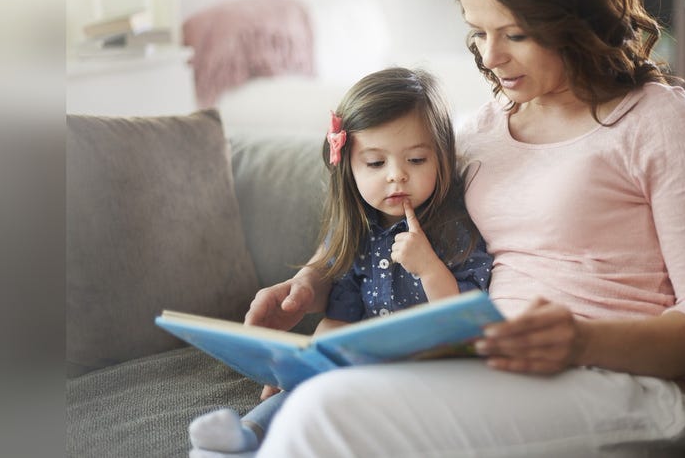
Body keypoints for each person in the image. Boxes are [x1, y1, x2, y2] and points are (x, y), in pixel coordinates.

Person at [249, 0, 685, 456]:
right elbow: (381, 218)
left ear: (578, 17)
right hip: (484, 366)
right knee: (321, 395)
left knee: (327, 412)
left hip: (626, 389)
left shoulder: (661, 123)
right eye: (478, 31)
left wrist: (580, 341)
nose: (490, 56)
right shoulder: (478, 133)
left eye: (515, 33)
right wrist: (314, 280)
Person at [187, 67, 492, 457]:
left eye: (416, 160)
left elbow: (466, 322)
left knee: (331, 411)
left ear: (441, 159)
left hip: (425, 376)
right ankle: (245, 433)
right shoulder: (357, 231)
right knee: (298, 393)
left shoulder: (455, 231)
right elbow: (339, 316)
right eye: (376, 164)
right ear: (348, 166)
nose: (397, 176)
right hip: (359, 369)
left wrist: (429, 267)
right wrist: (308, 363)